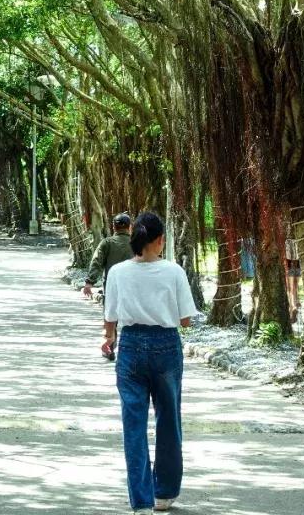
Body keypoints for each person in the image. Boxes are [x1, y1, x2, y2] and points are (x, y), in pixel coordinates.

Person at [103, 211, 198, 515]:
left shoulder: (118, 272)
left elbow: (110, 317)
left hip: (130, 346)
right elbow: (185, 320)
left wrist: (109, 338)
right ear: (159, 240)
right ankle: (164, 494)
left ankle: (141, 501)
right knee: (168, 420)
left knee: (133, 424)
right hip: (166, 346)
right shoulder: (174, 272)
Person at [82, 212, 133, 361]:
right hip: (134, 289)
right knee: (134, 319)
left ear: (114, 227)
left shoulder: (107, 243)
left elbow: (97, 262)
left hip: (112, 288)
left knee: (110, 318)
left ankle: (110, 347)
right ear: (130, 227)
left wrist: (89, 282)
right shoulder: (137, 243)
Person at [285, 236, 301, 323]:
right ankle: (295, 302)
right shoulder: (297, 241)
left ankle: (293, 305)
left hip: (289, 265)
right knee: (295, 286)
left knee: (290, 288)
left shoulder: (286, 242)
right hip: (297, 264)